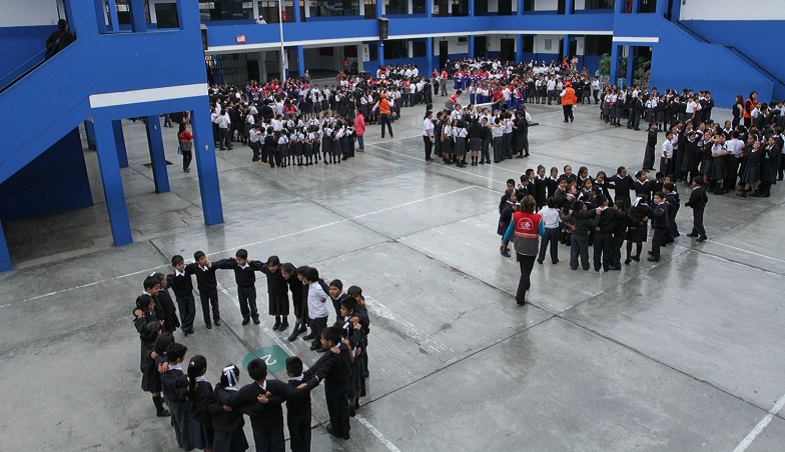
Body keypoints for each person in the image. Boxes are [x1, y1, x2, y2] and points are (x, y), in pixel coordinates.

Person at [302, 326, 352, 440]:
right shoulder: (343, 347)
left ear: (329, 342)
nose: (321, 340)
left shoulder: (332, 358)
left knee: (334, 408)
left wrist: (307, 382)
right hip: (344, 383)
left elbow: (319, 368)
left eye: (322, 339)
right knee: (344, 406)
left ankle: (336, 429)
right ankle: (345, 430)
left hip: (334, 387)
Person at [501, 195, 544, 305]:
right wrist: (543, 224)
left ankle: (527, 284)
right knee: (526, 271)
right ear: (533, 206)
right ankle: (520, 297)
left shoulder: (515, 215)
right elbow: (542, 233)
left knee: (523, 268)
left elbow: (509, 230)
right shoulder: (538, 218)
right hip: (531, 248)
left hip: (519, 246)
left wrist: (503, 243)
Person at [213, 249, 264, 326]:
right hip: (240, 288)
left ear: (245, 259)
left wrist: (251, 262)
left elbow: (260, 265)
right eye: (237, 259)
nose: (238, 262)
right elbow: (225, 263)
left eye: (240, 260)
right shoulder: (235, 264)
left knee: (252, 304)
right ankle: (245, 317)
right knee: (242, 304)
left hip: (250, 288)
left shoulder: (250, 265)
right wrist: (214, 264)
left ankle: (254, 316)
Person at [160, 343, 194, 451]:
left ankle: (180, 441)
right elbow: (179, 390)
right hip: (178, 403)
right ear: (179, 359)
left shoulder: (164, 366)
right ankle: (188, 445)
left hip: (169, 399)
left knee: (176, 421)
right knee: (184, 424)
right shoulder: (174, 374)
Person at [208, 365, 249, 452]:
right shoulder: (237, 396)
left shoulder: (218, 391)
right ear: (237, 378)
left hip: (219, 432)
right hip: (234, 432)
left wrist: (221, 407)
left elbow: (210, 407)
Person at [186, 355, 215, 452]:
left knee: (204, 443)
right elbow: (206, 405)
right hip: (205, 420)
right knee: (210, 444)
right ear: (204, 370)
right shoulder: (204, 386)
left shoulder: (187, 382)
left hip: (195, 418)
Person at [285, 357, 313, 452]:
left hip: (294, 415)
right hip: (306, 411)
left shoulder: (289, 387)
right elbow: (316, 366)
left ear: (290, 373)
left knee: (295, 435)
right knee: (306, 432)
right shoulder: (307, 378)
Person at [167, 255, 197, 336]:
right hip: (180, 297)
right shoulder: (172, 277)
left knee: (192, 311)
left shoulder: (187, 270)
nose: (182, 266)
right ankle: (187, 328)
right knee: (183, 312)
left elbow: (193, 266)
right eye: (179, 265)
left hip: (189, 294)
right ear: (174, 266)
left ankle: (185, 327)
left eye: (182, 263)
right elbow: (167, 283)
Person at [685, 176, 708, 242]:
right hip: (700, 207)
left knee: (698, 221)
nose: (692, 183)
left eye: (694, 182)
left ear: (697, 183)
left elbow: (693, 200)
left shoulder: (695, 191)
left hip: (698, 207)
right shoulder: (702, 189)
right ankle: (695, 232)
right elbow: (706, 198)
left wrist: (688, 204)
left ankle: (703, 234)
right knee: (697, 219)